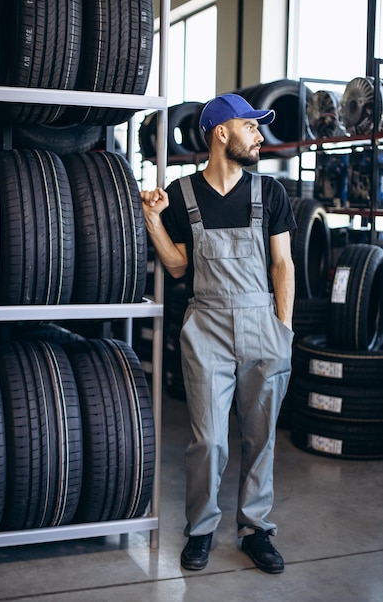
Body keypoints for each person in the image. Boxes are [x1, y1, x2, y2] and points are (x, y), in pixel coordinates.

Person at [140, 92, 296, 575]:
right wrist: (152, 219)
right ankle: (202, 529)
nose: (259, 135)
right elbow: (178, 266)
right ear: (221, 132)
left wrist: (282, 330)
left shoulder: (270, 193)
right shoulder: (183, 194)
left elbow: (282, 264)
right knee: (208, 440)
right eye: (251, 126)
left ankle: (255, 529)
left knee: (260, 437)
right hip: (205, 326)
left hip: (261, 323)